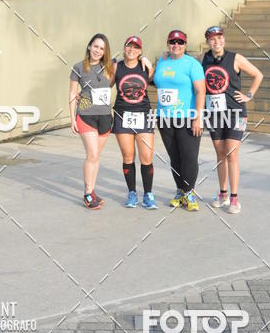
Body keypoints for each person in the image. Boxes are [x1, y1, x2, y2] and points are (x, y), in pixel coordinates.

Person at [202, 25, 263, 214]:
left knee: (232, 154)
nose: (217, 41)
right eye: (213, 39)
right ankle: (223, 194)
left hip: (235, 112)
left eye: (220, 37)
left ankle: (234, 198)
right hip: (214, 113)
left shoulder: (235, 58)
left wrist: (249, 95)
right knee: (220, 154)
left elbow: (258, 75)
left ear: (224, 39)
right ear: (208, 42)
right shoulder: (205, 59)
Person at [153, 29, 206, 211]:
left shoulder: (192, 64)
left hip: (187, 118)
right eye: (172, 42)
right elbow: (152, 79)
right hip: (165, 118)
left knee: (189, 157)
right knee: (174, 158)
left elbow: (201, 91)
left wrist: (198, 117)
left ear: (185, 45)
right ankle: (180, 191)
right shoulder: (162, 62)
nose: (176, 45)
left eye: (180, 42)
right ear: (168, 44)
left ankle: (189, 192)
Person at [69, 34, 114, 209]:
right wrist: (72, 117)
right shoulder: (78, 67)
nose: (98, 51)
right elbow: (73, 93)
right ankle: (88, 193)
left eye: (102, 48)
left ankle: (92, 190)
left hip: (105, 117)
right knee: (92, 155)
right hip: (86, 116)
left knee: (96, 157)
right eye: (95, 46)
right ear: (89, 47)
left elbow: (130, 63)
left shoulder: (110, 67)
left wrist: (144, 58)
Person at [112, 35, 156, 209]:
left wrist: (149, 63)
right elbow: (103, 84)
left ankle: (148, 194)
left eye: (136, 47)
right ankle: (132, 193)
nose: (132, 49)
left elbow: (158, 80)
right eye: (129, 46)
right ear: (124, 48)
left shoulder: (145, 66)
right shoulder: (117, 66)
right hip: (123, 115)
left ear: (140, 51)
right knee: (128, 155)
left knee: (146, 156)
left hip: (143, 114)